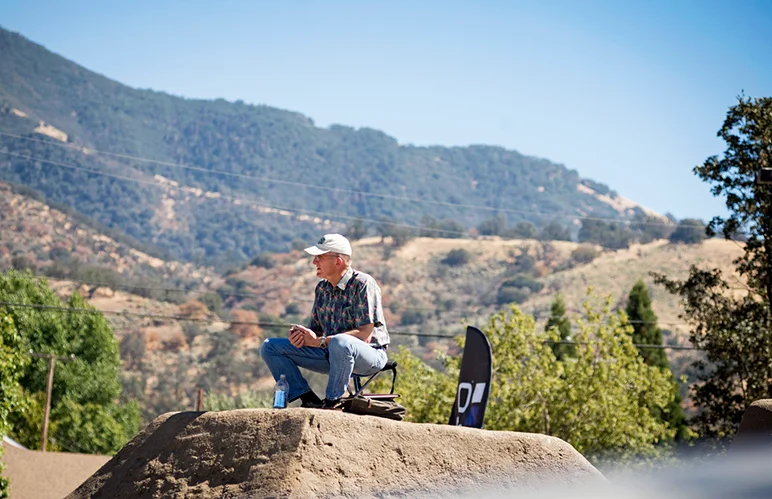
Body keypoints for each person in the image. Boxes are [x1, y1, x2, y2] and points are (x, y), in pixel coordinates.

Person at [260, 233, 390, 409]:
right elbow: (317, 333)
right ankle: (307, 398)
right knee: (270, 346)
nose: (314, 262)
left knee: (340, 342)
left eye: (319, 257)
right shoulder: (322, 288)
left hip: (369, 355)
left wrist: (320, 341)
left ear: (338, 261)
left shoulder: (363, 283)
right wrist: (303, 337)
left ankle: (332, 401)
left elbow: (365, 335)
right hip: (330, 352)